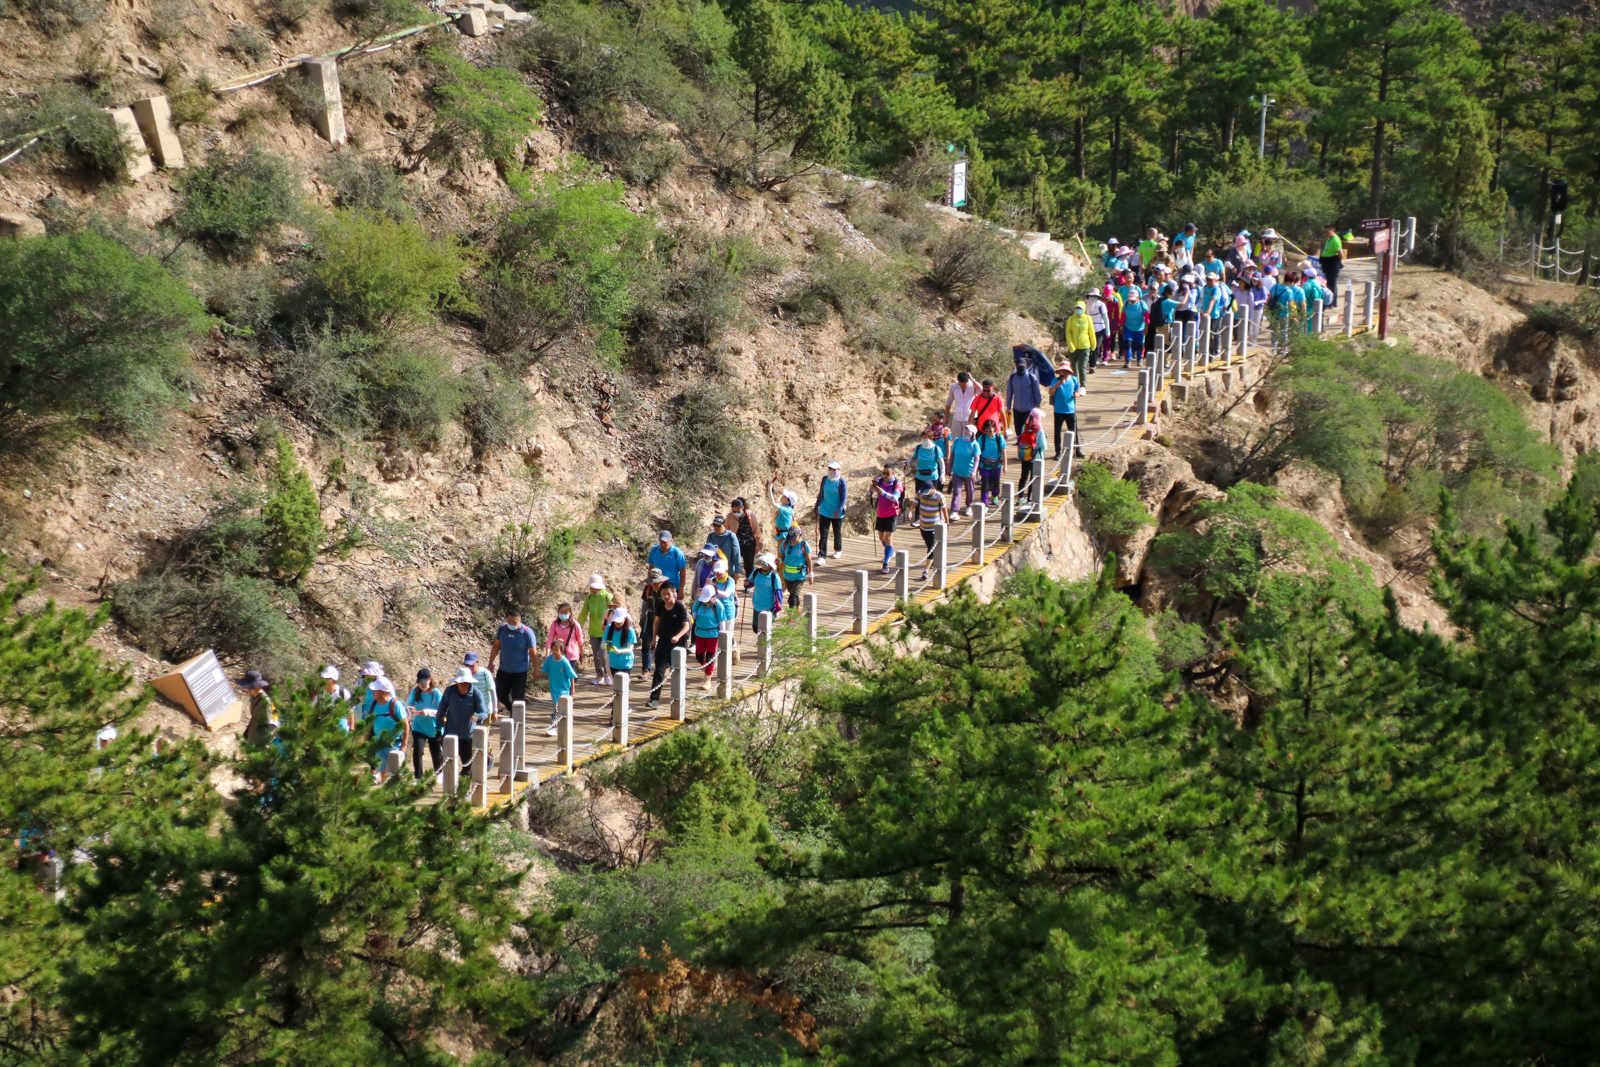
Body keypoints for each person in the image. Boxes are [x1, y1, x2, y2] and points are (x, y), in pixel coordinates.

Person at [646, 583, 691, 709]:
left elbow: (686, 625)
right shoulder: (660, 605)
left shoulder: (679, 606)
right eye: (663, 594)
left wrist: (678, 636)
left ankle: (680, 697)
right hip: (663, 642)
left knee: (678, 671)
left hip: (678, 645)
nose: (666, 596)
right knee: (659, 671)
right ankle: (654, 699)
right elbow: (656, 622)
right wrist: (654, 639)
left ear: (673, 592)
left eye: (668, 593)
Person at [489, 608, 537, 715]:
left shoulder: (527, 633)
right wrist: (490, 662)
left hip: (520, 671)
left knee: (518, 699)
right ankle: (515, 712)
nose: (511, 624)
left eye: (514, 622)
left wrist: (536, 670)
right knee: (500, 694)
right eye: (509, 621)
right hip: (504, 669)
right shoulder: (502, 628)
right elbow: (497, 645)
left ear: (520, 621)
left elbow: (533, 653)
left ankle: (515, 720)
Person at [439, 667, 486, 765]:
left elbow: (484, 712)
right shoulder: (449, 691)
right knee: (449, 763)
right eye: (461, 683)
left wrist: (477, 716)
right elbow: (441, 710)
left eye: (466, 683)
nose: (464, 686)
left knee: (467, 765)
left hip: (468, 736)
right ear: (457, 682)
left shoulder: (476, 694)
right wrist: (439, 729)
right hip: (450, 734)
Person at [366, 677, 407, 782]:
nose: (373, 692)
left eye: (375, 690)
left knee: (396, 772)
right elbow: (369, 726)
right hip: (379, 745)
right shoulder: (373, 705)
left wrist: (404, 745)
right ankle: (384, 790)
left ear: (384, 692)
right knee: (382, 770)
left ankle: (397, 791)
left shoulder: (395, 704)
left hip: (395, 745)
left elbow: (406, 725)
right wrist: (366, 743)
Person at [407, 668, 443, 779]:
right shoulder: (415, 692)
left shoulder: (436, 693)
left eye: (424, 682)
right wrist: (411, 709)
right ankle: (418, 776)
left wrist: (426, 712)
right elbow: (408, 705)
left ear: (430, 680)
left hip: (434, 728)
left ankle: (440, 773)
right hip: (419, 727)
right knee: (418, 750)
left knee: (436, 753)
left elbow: (441, 711)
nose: (422, 685)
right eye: (420, 683)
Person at [578, 574, 613, 686]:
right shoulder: (589, 597)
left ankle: (607, 674)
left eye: (594, 587)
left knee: (604, 654)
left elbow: (615, 613)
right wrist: (578, 626)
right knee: (596, 655)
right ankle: (599, 675)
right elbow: (584, 612)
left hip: (606, 632)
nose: (592, 589)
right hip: (593, 631)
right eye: (591, 587)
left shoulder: (608, 597)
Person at [912, 478, 949, 581]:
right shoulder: (921, 493)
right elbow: (914, 503)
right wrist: (910, 510)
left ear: (933, 488)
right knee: (929, 545)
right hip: (923, 526)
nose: (926, 494)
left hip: (934, 526)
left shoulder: (939, 496)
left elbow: (945, 511)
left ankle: (926, 571)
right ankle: (934, 561)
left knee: (931, 549)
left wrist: (947, 522)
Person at [870, 463, 903, 574]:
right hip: (881, 514)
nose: (885, 475)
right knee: (881, 538)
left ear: (893, 473)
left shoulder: (897, 483)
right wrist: (872, 489)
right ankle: (891, 551)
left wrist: (882, 493)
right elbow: (869, 492)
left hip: (892, 513)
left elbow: (895, 498)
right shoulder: (879, 481)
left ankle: (886, 563)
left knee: (888, 538)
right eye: (883, 473)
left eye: (887, 473)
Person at [538, 645, 577, 735]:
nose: (554, 651)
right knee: (558, 706)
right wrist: (537, 675)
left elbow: (572, 675)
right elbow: (545, 670)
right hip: (554, 686)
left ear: (562, 650)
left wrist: (572, 688)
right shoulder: (549, 659)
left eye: (557, 650)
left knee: (557, 706)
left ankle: (554, 726)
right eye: (553, 649)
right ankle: (562, 720)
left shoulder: (564, 661)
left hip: (564, 687)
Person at [690, 585, 723, 692]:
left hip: (712, 635)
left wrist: (722, 636)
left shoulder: (718, 606)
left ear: (713, 596)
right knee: (699, 656)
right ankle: (709, 667)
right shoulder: (699, 602)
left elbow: (722, 622)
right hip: (699, 632)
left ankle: (707, 679)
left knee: (710, 657)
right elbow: (694, 615)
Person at [1049, 363, 1084, 460]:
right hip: (1058, 410)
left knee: (1074, 431)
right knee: (1057, 432)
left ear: (1069, 371)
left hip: (1070, 410)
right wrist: (1058, 384)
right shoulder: (1055, 380)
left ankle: (1077, 451)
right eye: (1061, 371)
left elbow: (1078, 390)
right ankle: (1057, 453)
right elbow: (1050, 391)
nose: (1063, 373)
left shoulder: (1074, 380)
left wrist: (1077, 394)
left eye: (1065, 371)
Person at [814, 461, 847, 560]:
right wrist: (816, 506)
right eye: (830, 469)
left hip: (836, 513)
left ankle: (838, 549)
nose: (832, 471)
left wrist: (838, 511)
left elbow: (844, 498)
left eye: (834, 469)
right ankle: (822, 555)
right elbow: (821, 493)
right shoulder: (824, 479)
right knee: (823, 533)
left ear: (839, 470)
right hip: (824, 510)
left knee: (837, 532)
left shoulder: (841, 482)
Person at [1004, 352, 1043, 435]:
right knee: (1018, 431)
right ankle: (1019, 444)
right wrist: (1008, 406)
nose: (1020, 368)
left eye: (1022, 366)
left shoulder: (1031, 377)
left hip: (1029, 409)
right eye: (1018, 366)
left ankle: (1026, 445)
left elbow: (1036, 392)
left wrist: (1037, 404)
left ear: (1025, 366)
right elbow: (1009, 393)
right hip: (1016, 409)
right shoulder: (1012, 378)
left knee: (1027, 430)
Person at [239, 670, 277, 745]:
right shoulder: (254, 696)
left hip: (260, 741)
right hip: (253, 733)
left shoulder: (265, 702)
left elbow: (271, 724)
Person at [948, 424, 979, 517]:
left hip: (968, 473)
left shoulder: (975, 445)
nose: (966, 432)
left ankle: (969, 506)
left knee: (970, 490)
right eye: (965, 429)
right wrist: (949, 467)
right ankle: (954, 510)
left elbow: (977, 459)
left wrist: (974, 471)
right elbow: (952, 455)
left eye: (968, 430)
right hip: (957, 471)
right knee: (956, 491)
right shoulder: (957, 441)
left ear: (973, 434)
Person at [777, 525, 812, 607]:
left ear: (799, 535)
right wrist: (779, 560)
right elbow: (782, 556)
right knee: (794, 594)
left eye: (794, 538)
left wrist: (811, 575)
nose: (792, 541)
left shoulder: (804, 545)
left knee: (792, 597)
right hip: (787, 575)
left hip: (800, 575)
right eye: (790, 538)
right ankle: (797, 609)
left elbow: (809, 560)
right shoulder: (785, 543)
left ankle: (791, 617)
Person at [976, 418, 1007, 506]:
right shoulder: (981, 439)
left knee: (996, 484)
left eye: (991, 428)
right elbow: (977, 452)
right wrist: (976, 465)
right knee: (985, 484)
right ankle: (984, 503)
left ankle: (995, 495)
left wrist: (1005, 466)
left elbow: (1004, 452)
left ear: (995, 428)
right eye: (988, 428)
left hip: (996, 466)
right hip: (984, 465)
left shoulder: (999, 438)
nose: (990, 430)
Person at [1065, 298, 1095, 389]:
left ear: (1084, 309)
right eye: (1077, 308)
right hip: (1073, 347)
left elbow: (1091, 332)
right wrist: (1070, 344)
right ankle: (1074, 384)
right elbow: (1068, 332)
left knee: (1082, 366)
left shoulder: (1088, 318)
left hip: (1085, 346)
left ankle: (1083, 385)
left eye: (1080, 308)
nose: (1078, 310)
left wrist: (1093, 343)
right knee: (1074, 367)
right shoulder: (1071, 319)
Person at [602, 605, 638, 681]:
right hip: (613, 663)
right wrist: (611, 648)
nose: (617, 623)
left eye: (619, 621)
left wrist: (619, 651)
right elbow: (603, 644)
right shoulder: (609, 628)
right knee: (616, 685)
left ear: (625, 620)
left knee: (623, 684)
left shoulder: (630, 631)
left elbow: (629, 649)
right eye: (615, 621)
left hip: (626, 663)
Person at [728, 498, 760, 580]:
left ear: (743, 508)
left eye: (738, 511)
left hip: (749, 545)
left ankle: (749, 584)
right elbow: (727, 530)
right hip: (735, 545)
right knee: (734, 564)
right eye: (734, 511)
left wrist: (757, 545)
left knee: (749, 565)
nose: (736, 513)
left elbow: (757, 531)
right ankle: (733, 584)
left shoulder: (751, 515)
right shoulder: (730, 517)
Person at [749, 553, 782, 630]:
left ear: (771, 565)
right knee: (756, 628)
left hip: (769, 607)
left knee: (765, 629)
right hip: (757, 605)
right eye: (762, 562)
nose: (763, 565)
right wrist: (747, 584)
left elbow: (778, 593)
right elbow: (750, 584)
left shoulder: (775, 576)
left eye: (766, 563)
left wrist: (778, 607)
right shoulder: (755, 572)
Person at [547, 602, 584, 673]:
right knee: (561, 674)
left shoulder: (575, 625)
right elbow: (550, 638)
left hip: (571, 654)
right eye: (561, 612)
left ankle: (572, 684)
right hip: (559, 653)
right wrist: (547, 653)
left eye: (565, 612)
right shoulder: (555, 624)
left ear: (570, 613)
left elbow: (580, 640)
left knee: (570, 674)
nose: (563, 614)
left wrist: (581, 655)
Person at [1016, 408, 1044, 499]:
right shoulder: (1039, 430)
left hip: (1024, 455)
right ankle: (1030, 499)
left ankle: (1020, 498)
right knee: (1033, 478)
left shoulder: (1025, 426)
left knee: (1023, 476)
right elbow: (1044, 446)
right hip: (1035, 458)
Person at [705, 514, 744, 579]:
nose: (716, 528)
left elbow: (736, 554)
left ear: (724, 526)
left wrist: (737, 571)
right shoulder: (711, 537)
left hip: (729, 572)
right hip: (714, 571)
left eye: (718, 526)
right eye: (714, 526)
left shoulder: (731, 536)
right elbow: (707, 553)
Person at [316, 665, 354, 731]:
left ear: (335, 681)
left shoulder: (343, 693)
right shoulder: (319, 694)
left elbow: (350, 712)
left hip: (340, 730)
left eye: (328, 680)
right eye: (323, 679)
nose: (324, 681)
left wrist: (352, 729)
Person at [909, 425, 945, 492]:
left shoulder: (936, 449)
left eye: (926, 438)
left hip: (932, 477)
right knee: (919, 497)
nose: (924, 440)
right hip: (920, 477)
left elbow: (941, 462)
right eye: (923, 438)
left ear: (931, 438)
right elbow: (914, 457)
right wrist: (908, 462)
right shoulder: (918, 448)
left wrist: (942, 474)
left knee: (931, 497)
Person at [1319, 223, 1345, 305]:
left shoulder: (1335, 240)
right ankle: (1329, 300)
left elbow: (1341, 254)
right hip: (1327, 263)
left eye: (1328, 231)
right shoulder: (1329, 239)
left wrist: (1340, 262)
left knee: (1332, 283)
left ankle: (1333, 302)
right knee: (1328, 282)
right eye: (1325, 232)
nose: (1326, 233)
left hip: (1333, 264)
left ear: (1333, 231)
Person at [1122, 287, 1149, 366]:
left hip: (1140, 328)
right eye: (1130, 298)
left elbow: (1147, 317)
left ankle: (1140, 359)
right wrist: (1121, 327)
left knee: (1140, 344)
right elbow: (1123, 316)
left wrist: (1146, 328)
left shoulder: (1142, 304)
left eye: (1133, 299)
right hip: (1128, 327)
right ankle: (1128, 360)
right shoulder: (1126, 304)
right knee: (1128, 343)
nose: (1132, 300)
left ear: (1137, 297)